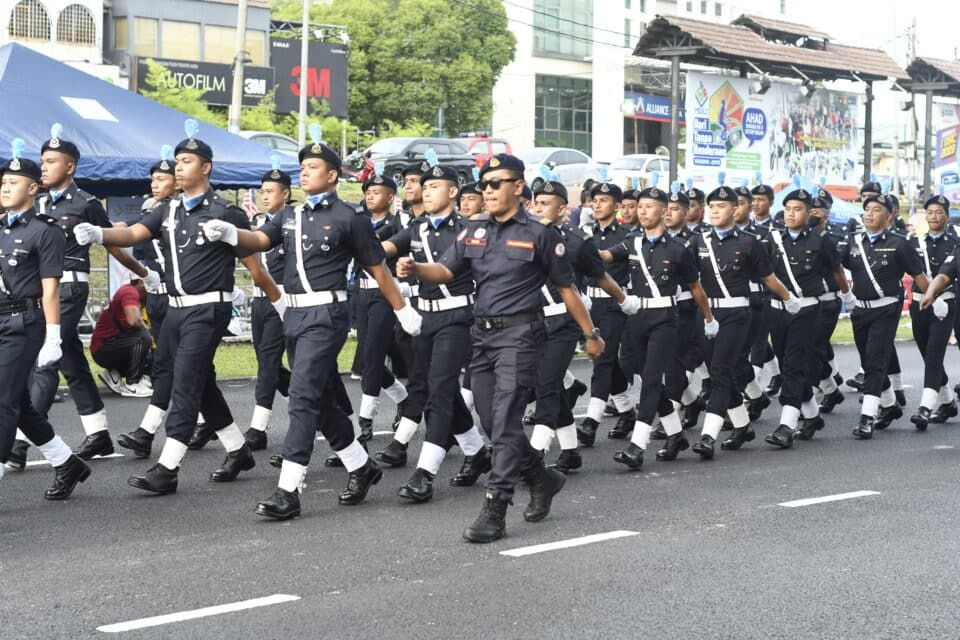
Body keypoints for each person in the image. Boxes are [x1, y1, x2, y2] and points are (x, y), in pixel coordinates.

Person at [200, 126, 422, 520]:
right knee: (316, 399)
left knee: (301, 395)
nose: (304, 173)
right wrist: (232, 233)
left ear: (333, 174)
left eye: (313, 166)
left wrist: (402, 308)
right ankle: (360, 466)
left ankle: (288, 491)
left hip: (327, 314)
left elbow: (378, 268)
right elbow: (259, 242)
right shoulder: (291, 214)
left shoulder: (349, 217)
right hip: (294, 313)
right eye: (302, 166)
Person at [397, 153, 604, 543]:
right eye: (484, 183)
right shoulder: (473, 232)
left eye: (497, 183)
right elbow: (444, 270)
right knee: (493, 423)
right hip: (482, 337)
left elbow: (567, 290)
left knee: (506, 420)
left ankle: (495, 506)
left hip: (521, 337)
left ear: (518, 187)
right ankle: (541, 478)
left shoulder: (541, 234)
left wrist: (590, 335)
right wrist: (415, 269)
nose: (488, 190)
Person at [74, 121, 280, 492]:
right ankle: (237, 449)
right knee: (196, 382)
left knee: (185, 381)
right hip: (174, 308)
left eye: (187, 161)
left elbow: (254, 265)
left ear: (206, 168)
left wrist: (280, 305)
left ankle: (167, 468)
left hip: (207, 310)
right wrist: (101, 234)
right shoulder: (169, 211)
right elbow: (135, 233)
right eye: (177, 161)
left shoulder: (225, 213)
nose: (179, 167)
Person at [10, 124, 159, 468]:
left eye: (51, 161)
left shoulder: (87, 203)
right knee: (69, 358)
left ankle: (20, 442)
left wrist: (144, 274)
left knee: (44, 359)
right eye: (42, 161)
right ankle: (98, 433)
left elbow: (114, 243)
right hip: (40, 289)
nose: (44, 166)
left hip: (71, 288)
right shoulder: (35, 201)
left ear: (70, 167)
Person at [378, 162, 491, 501]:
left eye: (434, 186)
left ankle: (425, 472)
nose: (426, 192)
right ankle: (476, 453)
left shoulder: (468, 230)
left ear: (454, 192)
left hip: (458, 317)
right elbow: (381, 249)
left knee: (439, 390)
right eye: (423, 187)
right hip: (424, 320)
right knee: (432, 388)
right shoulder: (417, 228)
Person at [600, 186, 715, 469]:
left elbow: (695, 287)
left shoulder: (678, 249)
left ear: (663, 212)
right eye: (640, 206)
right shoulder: (631, 243)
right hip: (635, 318)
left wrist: (709, 318)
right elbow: (605, 257)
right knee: (639, 372)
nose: (642, 211)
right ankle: (676, 435)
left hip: (665, 319)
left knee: (652, 380)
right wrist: (579, 252)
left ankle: (637, 445)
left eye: (648, 207)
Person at [0, 147, 91, 500]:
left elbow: (51, 289)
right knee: (18, 402)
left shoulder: (45, 231)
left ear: (33, 188)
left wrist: (53, 336)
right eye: (3, 182)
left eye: (13, 183)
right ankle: (66, 462)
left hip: (25, 324)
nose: (5, 188)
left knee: (3, 402)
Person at [528, 177, 629, 473]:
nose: (539, 208)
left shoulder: (575, 242)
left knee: (547, 385)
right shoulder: (525, 236)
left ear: (563, 209)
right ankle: (571, 452)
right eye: (536, 203)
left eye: (546, 203)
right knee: (549, 385)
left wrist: (624, 301)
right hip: (534, 319)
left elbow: (600, 276)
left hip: (564, 320)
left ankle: (535, 455)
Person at [689, 185, 799, 459]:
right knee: (719, 371)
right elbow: (690, 281)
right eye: (712, 206)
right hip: (706, 315)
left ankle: (708, 436)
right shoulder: (698, 241)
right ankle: (742, 425)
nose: (716, 210)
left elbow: (767, 277)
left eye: (722, 206)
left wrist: (788, 298)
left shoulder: (749, 242)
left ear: (735, 209)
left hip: (738, 313)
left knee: (720, 371)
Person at [762, 189, 850, 449]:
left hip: (807, 309)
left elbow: (837, 271)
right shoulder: (773, 239)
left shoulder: (820, 241)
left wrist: (847, 295)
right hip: (778, 309)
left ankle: (786, 426)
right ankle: (812, 416)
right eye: (787, 208)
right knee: (784, 358)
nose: (791, 213)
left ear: (809, 212)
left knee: (793, 366)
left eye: (797, 209)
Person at [841, 194, 927, 439]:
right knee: (868, 361)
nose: (869, 213)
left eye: (876, 209)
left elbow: (921, 278)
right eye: (866, 209)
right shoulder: (853, 241)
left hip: (887, 309)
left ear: (889, 216)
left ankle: (867, 417)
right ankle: (890, 407)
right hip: (860, 309)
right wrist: (846, 295)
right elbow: (837, 265)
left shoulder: (900, 244)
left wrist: (934, 300)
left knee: (876, 361)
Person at [576, 181, 635, 446]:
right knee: (606, 361)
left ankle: (591, 420)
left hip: (615, 304)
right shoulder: (585, 231)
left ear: (617, 205)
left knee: (602, 359)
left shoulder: (627, 234)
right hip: (591, 304)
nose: (596, 205)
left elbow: (601, 259)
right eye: (593, 200)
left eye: (603, 200)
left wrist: (580, 241)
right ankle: (626, 411)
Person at [244, 160, 293, 451]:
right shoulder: (261, 223)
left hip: (281, 299)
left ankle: (257, 428)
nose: (265, 196)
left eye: (270, 191)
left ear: (285, 194)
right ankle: (307, 405)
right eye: (262, 191)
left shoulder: (291, 221)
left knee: (269, 362)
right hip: (259, 300)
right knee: (267, 361)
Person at [907, 194, 958, 430]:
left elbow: (947, 274)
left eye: (939, 212)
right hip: (919, 304)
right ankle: (947, 402)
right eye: (930, 212)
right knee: (927, 354)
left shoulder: (955, 243)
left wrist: (937, 296)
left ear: (947, 215)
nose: (934, 216)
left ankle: (925, 407)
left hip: (944, 304)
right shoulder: (914, 242)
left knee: (935, 354)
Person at [90, 275, 152, 397]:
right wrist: (148, 332)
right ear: (141, 283)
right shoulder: (130, 292)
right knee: (144, 338)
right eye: (149, 290)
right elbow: (134, 321)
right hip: (104, 347)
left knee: (148, 354)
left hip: (106, 346)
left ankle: (114, 373)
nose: (149, 294)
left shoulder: (129, 291)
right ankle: (132, 384)